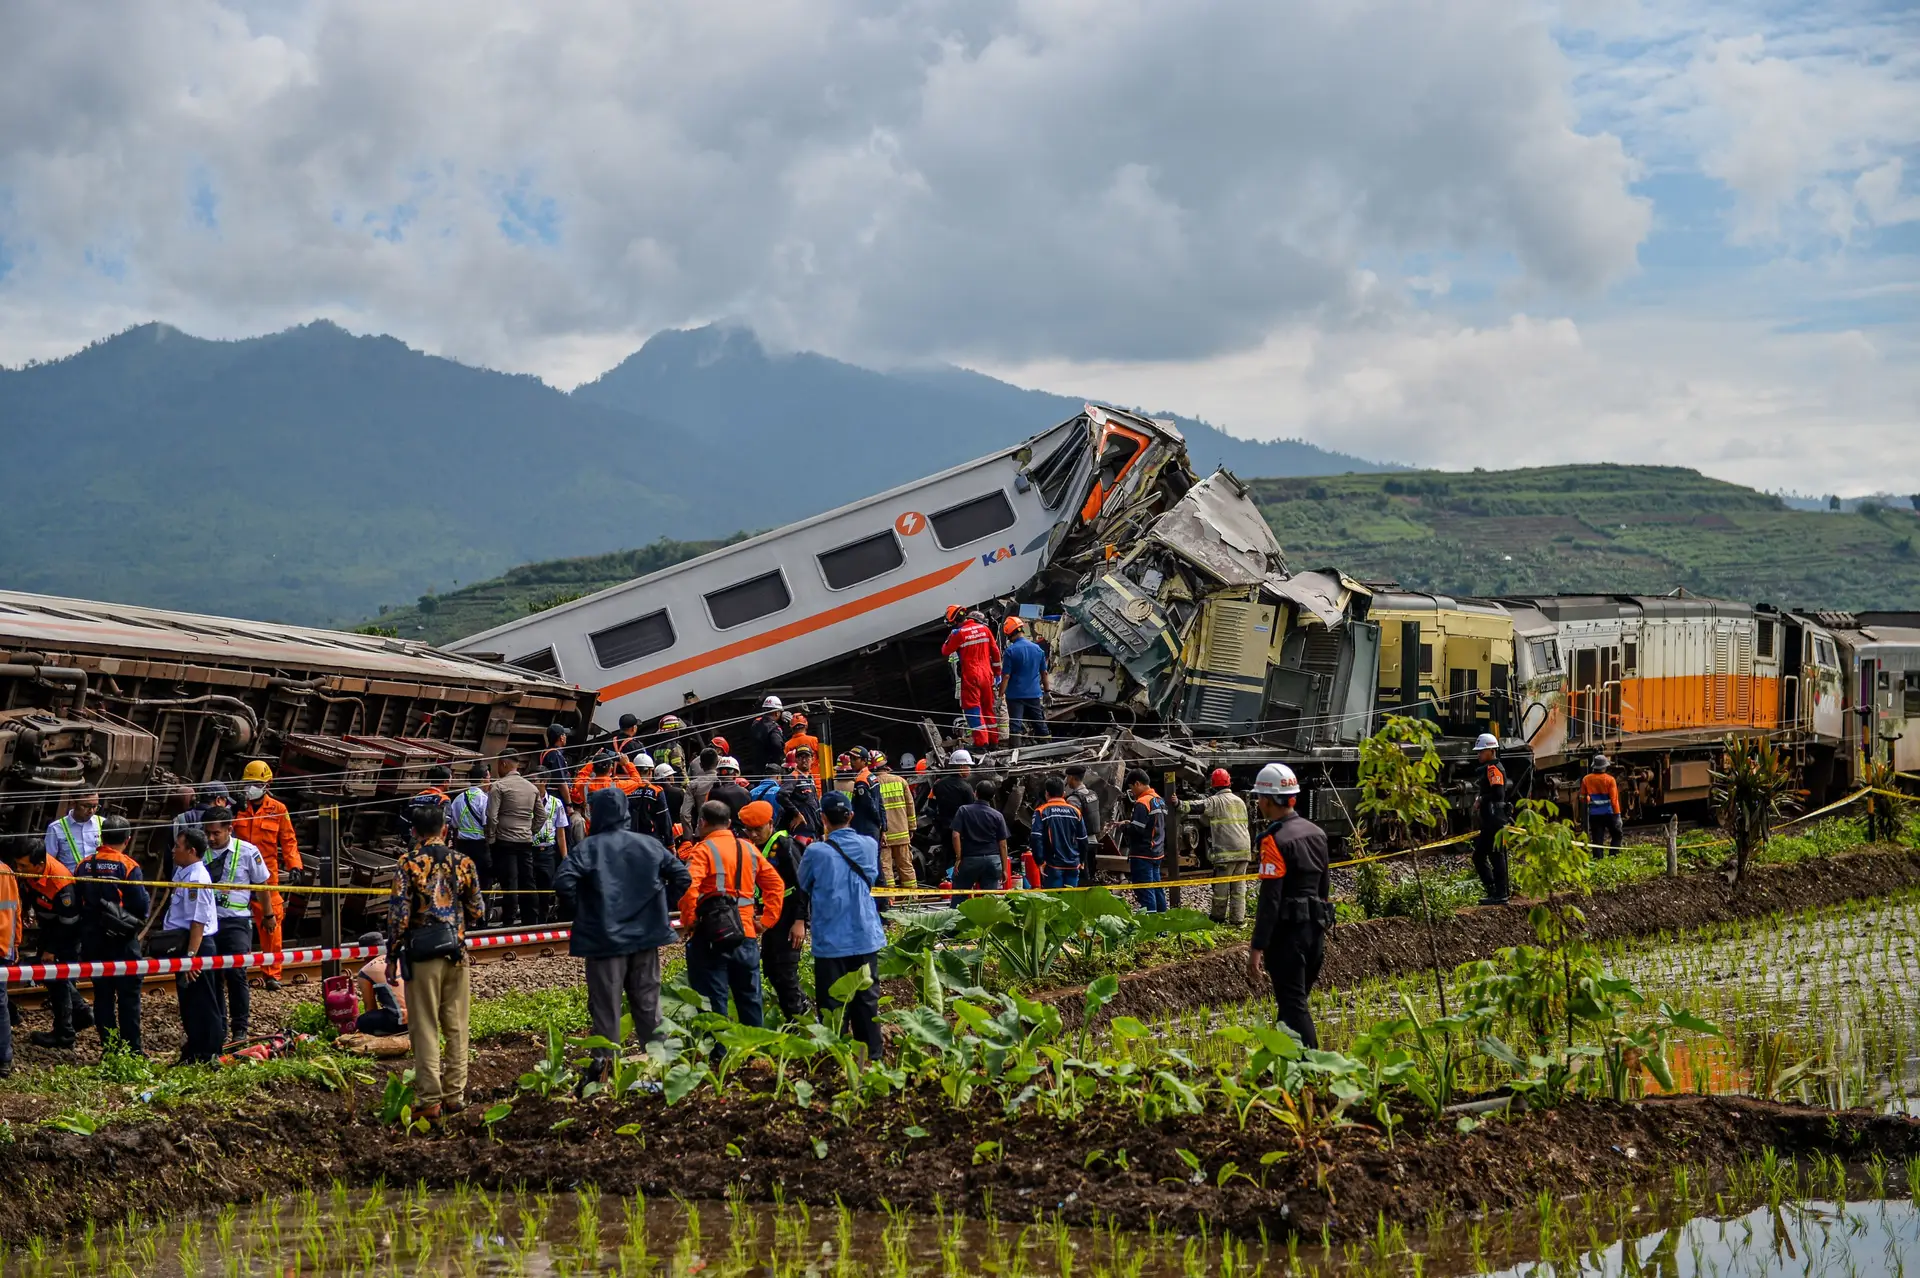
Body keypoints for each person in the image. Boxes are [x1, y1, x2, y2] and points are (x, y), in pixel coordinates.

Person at [555, 786, 692, 1073]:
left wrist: (586, 909)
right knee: (648, 1004)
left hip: (604, 942)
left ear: (598, 813)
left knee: (606, 1008)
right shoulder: (650, 845)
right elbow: (682, 876)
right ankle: (662, 1067)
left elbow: (563, 882)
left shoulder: (587, 849)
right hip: (646, 937)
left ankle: (606, 1072)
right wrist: (660, 904)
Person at [388, 803, 485, 1121]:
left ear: (414, 832)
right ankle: (455, 1095)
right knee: (456, 1025)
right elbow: (477, 911)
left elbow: (399, 916)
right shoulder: (463, 861)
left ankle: (429, 1099)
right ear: (444, 828)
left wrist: (391, 956)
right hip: (455, 952)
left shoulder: (408, 862)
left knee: (425, 1026)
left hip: (421, 955)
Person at [1246, 762, 1333, 1048]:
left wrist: (1257, 947)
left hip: (1288, 938)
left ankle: (1313, 1068)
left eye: (1259, 797)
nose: (1258, 802)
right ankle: (1286, 1069)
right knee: (1290, 1007)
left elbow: (1270, 899)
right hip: (1315, 934)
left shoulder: (1273, 841)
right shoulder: (1317, 833)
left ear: (1268, 801)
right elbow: (1324, 888)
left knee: (1295, 1008)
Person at [679, 800, 784, 1026]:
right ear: (728, 823)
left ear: (703, 823)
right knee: (750, 999)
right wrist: (766, 921)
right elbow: (776, 884)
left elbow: (688, 888)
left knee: (712, 1003)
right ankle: (756, 1054)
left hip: (710, 936)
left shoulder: (702, 850)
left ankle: (719, 1055)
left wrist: (689, 922)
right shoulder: (748, 848)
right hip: (745, 934)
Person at [805, 791, 886, 1058]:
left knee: (832, 1004)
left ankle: (833, 1058)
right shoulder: (869, 845)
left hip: (831, 939)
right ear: (851, 815)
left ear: (823, 818)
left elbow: (802, 883)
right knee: (867, 1000)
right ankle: (871, 1058)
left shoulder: (815, 851)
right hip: (865, 934)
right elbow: (872, 877)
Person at [74, 814, 149, 1055]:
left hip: (94, 939)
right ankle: (132, 1050)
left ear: (102, 837)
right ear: (127, 840)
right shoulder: (128, 866)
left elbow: (77, 901)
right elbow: (140, 906)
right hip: (122, 940)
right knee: (129, 996)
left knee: (102, 995)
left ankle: (109, 1049)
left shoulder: (83, 864)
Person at [201, 806, 269, 1043]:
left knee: (236, 973)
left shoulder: (248, 852)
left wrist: (268, 917)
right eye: (207, 832)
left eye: (215, 833)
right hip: (209, 923)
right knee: (213, 976)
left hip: (237, 921)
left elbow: (262, 887)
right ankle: (218, 1027)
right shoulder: (200, 853)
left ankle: (240, 1028)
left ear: (229, 829)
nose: (210, 838)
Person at [232, 760, 301, 990]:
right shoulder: (237, 808)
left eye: (255, 784)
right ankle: (230, 971)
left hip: (266, 875)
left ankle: (272, 974)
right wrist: (233, 810)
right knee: (230, 921)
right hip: (237, 874)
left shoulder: (278, 810)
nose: (250, 788)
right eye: (247, 783)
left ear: (267, 784)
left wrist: (294, 866)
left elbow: (288, 840)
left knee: (272, 922)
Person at [741, 800, 810, 1020]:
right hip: (772, 917)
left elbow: (802, 885)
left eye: (757, 830)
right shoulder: (757, 847)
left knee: (785, 970)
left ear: (770, 824)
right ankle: (800, 1008)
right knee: (771, 967)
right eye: (749, 830)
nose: (753, 835)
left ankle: (798, 1018)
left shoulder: (784, 846)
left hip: (789, 916)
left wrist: (800, 921)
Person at [12, 836, 81, 1050]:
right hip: (51, 927)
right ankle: (81, 1016)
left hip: (65, 934)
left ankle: (65, 1034)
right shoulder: (33, 872)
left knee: (57, 979)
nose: (19, 869)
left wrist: (52, 949)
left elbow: (69, 923)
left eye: (23, 866)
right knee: (54, 979)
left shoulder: (61, 882)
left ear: (40, 864)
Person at [165, 826, 225, 1064]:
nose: (173, 850)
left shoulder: (197, 878)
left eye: (178, 846)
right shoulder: (184, 872)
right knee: (189, 1003)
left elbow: (198, 922)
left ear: (191, 851)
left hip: (197, 946)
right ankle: (194, 1050)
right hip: (189, 945)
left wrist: (191, 957)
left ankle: (208, 1053)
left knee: (203, 1002)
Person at [1183, 769, 1252, 925]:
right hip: (1244, 850)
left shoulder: (1216, 801)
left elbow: (1197, 806)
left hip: (1227, 852)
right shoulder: (1239, 801)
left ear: (1213, 786)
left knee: (1221, 888)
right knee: (1239, 888)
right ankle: (1238, 920)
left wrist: (1178, 803)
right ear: (1229, 783)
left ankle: (1217, 918)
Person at [481, 750, 540, 928]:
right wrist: (530, 831)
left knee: (510, 882)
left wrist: (491, 838)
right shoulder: (532, 788)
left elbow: (492, 816)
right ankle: (532, 921)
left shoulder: (499, 786)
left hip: (505, 842)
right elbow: (541, 816)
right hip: (525, 841)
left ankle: (508, 922)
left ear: (504, 764)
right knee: (528, 881)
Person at [941, 607, 1002, 748]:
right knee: (988, 708)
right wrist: (997, 673)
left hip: (971, 676)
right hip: (987, 675)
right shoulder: (984, 629)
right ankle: (994, 741)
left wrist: (951, 635)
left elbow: (945, 650)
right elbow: (995, 652)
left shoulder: (958, 634)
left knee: (972, 709)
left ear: (954, 621)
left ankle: (982, 743)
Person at [949, 779, 1011, 899]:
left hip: (969, 860)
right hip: (992, 861)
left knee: (959, 897)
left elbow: (955, 835)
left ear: (975, 793)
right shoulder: (998, 816)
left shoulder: (964, 810)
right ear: (993, 796)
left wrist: (958, 858)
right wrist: (1004, 869)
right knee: (989, 900)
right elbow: (1003, 844)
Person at [1470, 733, 1513, 905]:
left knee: (1493, 856)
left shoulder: (1493, 769)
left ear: (1491, 751)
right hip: (1491, 819)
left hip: (1495, 819)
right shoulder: (1489, 768)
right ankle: (1495, 891)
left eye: (1481, 751)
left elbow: (1498, 793)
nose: (1479, 755)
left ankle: (1499, 893)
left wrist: (1481, 799)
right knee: (1482, 856)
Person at [1122, 769, 1170, 913]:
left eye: (1131, 788)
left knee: (1145, 890)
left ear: (1137, 783)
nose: (1132, 792)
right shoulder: (1159, 800)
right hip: (1156, 852)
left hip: (1142, 854)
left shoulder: (1142, 802)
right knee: (1156, 888)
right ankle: (1162, 924)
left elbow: (1137, 830)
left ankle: (1151, 925)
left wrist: (1124, 826)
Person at [1031, 776, 1089, 889]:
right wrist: (1082, 860)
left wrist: (1040, 861)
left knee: (1054, 902)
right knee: (1070, 901)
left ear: (1046, 793)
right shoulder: (1075, 812)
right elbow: (1083, 839)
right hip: (1073, 864)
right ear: (1063, 793)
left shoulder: (1042, 812)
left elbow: (1035, 838)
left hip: (1053, 865)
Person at [1000, 618, 1051, 743]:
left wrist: (1000, 695)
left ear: (1010, 634)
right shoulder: (1038, 649)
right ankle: (1049, 752)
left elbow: (1006, 676)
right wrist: (1047, 691)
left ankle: (1014, 756)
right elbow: (1044, 672)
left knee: (1015, 725)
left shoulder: (1010, 651)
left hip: (1014, 696)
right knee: (1039, 723)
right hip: (1033, 694)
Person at [530, 773, 572, 922]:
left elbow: (561, 833)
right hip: (530, 850)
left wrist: (565, 857)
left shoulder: (556, 803)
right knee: (531, 889)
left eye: (535, 780)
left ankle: (543, 918)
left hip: (547, 852)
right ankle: (532, 920)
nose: (533, 783)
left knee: (546, 889)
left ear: (544, 782)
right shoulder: (527, 801)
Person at [874, 755, 918, 891]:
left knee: (886, 868)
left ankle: (890, 899)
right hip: (902, 832)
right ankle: (913, 898)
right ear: (886, 766)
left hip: (884, 835)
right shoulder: (901, 781)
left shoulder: (872, 783)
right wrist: (911, 828)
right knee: (906, 866)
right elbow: (910, 806)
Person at [448, 762, 493, 896]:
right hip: (480, 848)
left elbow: (454, 826)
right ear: (482, 779)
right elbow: (488, 825)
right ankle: (481, 913)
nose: (489, 782)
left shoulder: (458, 799)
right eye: (489, 778)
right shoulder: (484, 800)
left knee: (463, 884)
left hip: (462, 847)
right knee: (482, 884)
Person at [353, 931, 407, 1035]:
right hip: (417, 1017)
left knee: (363, 1020)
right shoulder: (399, 958)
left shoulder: (365, 971)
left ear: (364, 954)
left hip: (399, 1020)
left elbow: (370, 1007)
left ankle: (384, 1035)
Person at [929, 750, 976, 859]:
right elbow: (972, 810)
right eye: (968, 766)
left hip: (944, 828)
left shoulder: (938, 784)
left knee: (949, 855)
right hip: (961, 830)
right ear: (961, 767)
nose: (969, 769)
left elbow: (931, 804)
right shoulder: (966, 787)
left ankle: (948, 874)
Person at [45, 791, 102, 871]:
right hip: (70, 880)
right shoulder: (55, 828)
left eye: (95, 806)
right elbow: (49, 861)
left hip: (98, 880)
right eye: (86, 806)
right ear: (73, 803)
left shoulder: (103, 823)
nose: (91, 811)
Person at [1581, 754, 1624, 854]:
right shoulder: (1610, 780)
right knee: (1617, 835)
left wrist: (1589, 800)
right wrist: (1617, 816)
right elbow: (1614, 800)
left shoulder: (1586, 779)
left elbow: (1582, 798)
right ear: (1605, 767)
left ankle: (1598, 859)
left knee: (1597, 839)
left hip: (1594, 814)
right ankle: (1614, 855)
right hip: (1609, 813)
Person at [740, 696, 788, 780]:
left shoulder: (755, 724)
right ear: (777, 713)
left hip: (757, 767)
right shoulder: (774, 728)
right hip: (771, 771)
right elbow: (777, 745)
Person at [780, 748, 823, 840]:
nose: (804, 760)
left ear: (812, 759)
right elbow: (781, 795)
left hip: (814, 828)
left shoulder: (810, 777)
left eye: (807, 757)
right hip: (801, 830)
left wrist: (821, 829)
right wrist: (796, 814)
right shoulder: (793, 776)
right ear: (796, 760)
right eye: (800, 757)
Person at [0, 853, 17, 1077]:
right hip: (3, 945)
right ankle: (4, 1059)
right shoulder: (6, 870)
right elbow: (15, 909)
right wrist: (15, 945)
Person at [707, 757, 753, 824]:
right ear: (735, 774)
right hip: (739, 831)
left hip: (718, 831)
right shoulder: (744, 792)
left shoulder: (713, 792)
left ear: (718, 774)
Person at [784, 713, 823, 781]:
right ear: (806, 725)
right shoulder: (814, 740)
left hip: (796, 781)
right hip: (817, 780)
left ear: (791, 727)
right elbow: (823, 758)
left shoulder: (787, 745)